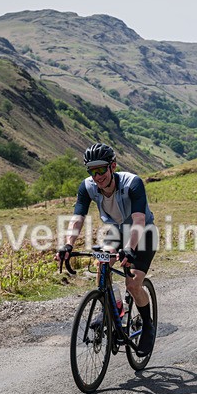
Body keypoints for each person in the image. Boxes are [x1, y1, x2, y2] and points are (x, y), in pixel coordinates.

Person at [57, 143, 157, 357]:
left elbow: (139, 219)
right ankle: (110, 308)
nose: (98, 176)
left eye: (101, 169)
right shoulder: (88, 187)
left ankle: (148, 326)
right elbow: (77, 218)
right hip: (116, 231)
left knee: (132, 284)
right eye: (93, 171)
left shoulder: (133, 183)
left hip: (144, 232)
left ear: (113, 166)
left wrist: (129, 249)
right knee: (103, 262)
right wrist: (68, 245)